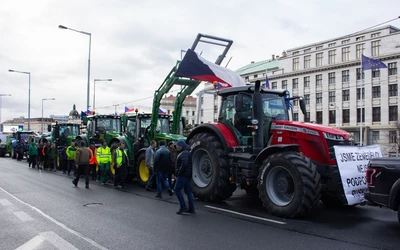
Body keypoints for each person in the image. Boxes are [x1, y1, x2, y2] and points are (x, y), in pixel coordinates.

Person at [174, 139, 195, 214]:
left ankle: (183, 206)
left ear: (181, 146)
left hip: (183, 175)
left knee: (176, 189)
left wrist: (179, 173)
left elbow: (184, 164)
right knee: (188, 191)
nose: (177, 147)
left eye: (177, 145)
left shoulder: (184, 153)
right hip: (188, 175)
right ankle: (191, 208)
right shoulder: (187, 152)